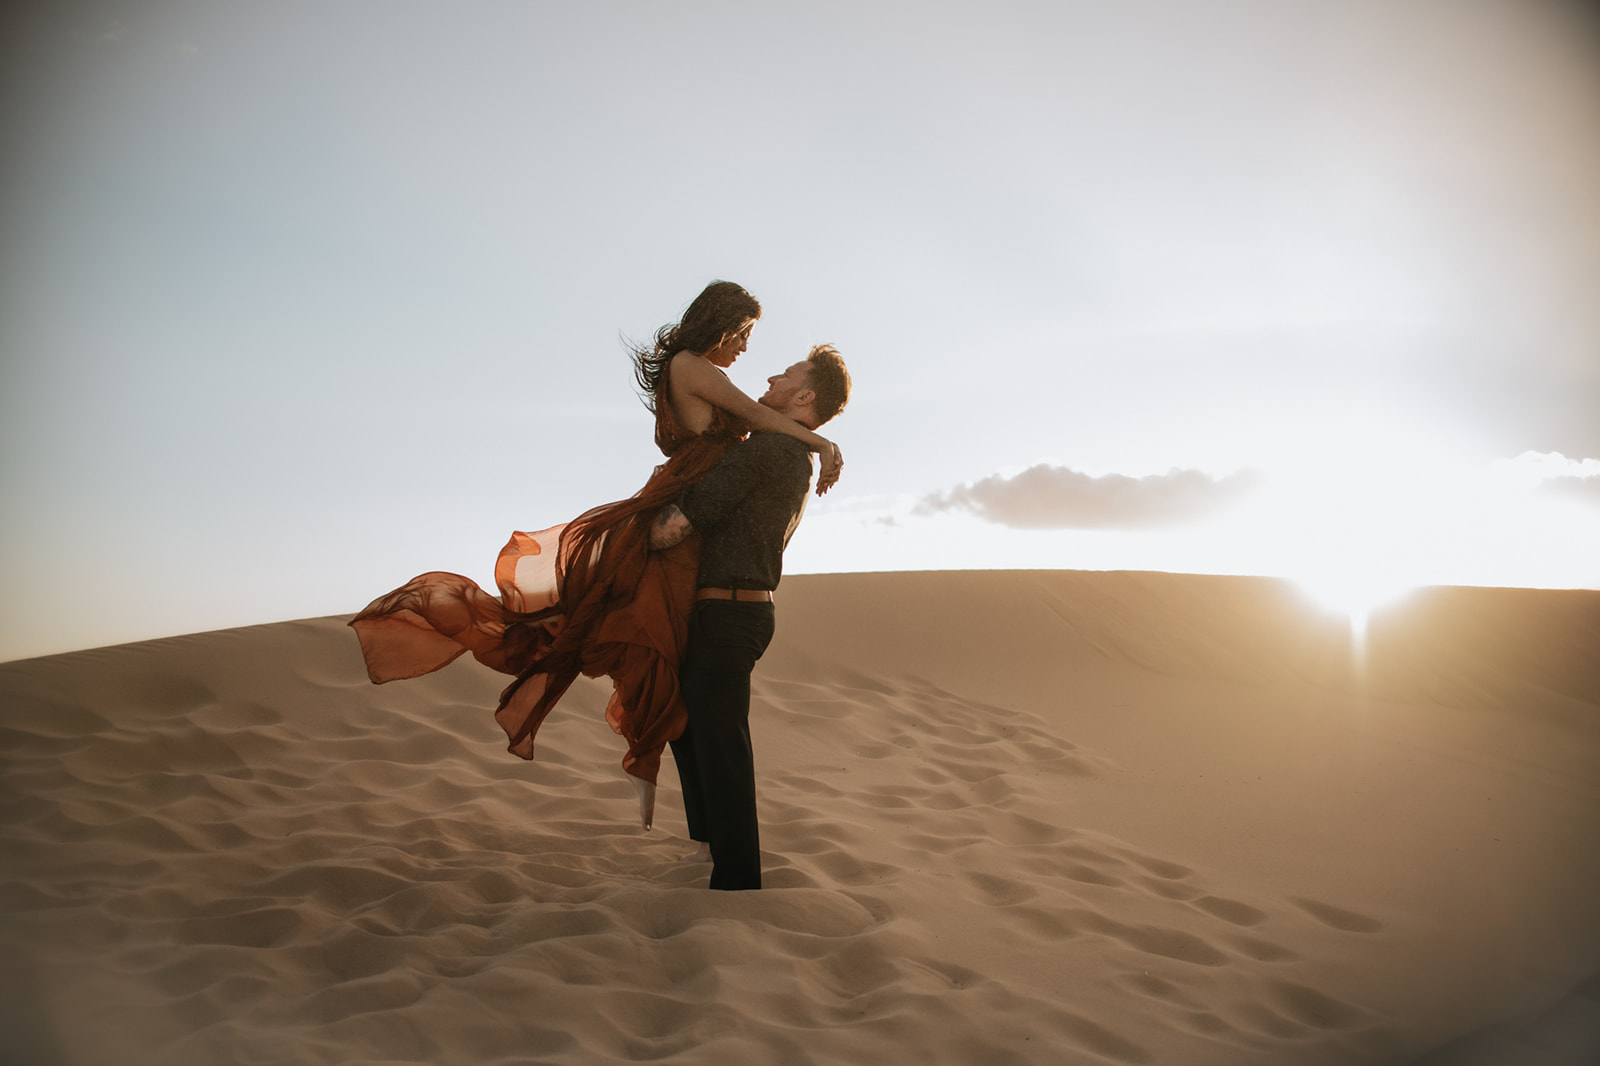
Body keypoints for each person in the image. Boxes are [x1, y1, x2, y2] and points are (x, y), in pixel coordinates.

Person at [349, 282, 843, 830]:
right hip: (682, 520)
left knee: (665, 662)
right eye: (744, 334)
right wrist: (820, 442)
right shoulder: (694, 367)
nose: (748, 351)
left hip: (693, 526)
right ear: (723, 324)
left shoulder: (693, 372)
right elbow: (760, 418)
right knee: (654, 649)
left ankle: (697, 823)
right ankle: (698, 822)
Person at [648, 344, 852, 890]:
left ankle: (737, 876)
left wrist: (642, 530)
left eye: (786, 375)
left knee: (720, 739)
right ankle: (712, 846)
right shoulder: (790, 453)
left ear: (805, 396)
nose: (771, 376)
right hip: (732, 611)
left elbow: (691, 516)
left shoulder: (769, 450)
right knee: (691, 728)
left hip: (730, 612)